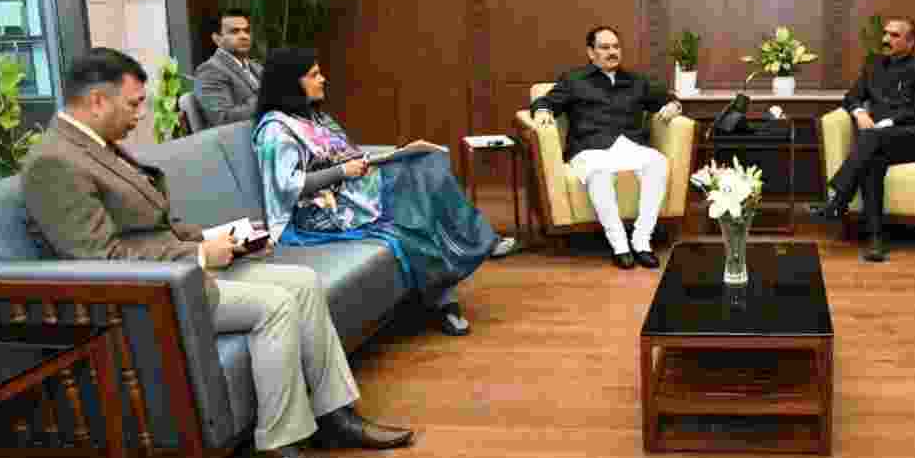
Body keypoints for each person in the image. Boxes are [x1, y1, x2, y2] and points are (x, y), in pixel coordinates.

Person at [23, 48, 413, 458]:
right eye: (133, 104)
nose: (140, 115)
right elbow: (99, 260)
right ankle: (280, 451)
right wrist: (200, 256)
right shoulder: (55, 163)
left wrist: (222, 236)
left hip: (178, 271)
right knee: (276, 306)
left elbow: (156, 225)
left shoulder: (96, 148)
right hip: (148, 296)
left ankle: (336, 416)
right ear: (97, 100)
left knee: (304, 283)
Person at [252, 48, 502, 336]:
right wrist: (342, 172)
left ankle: (465, 257)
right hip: (316, 214)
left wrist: (379, 160)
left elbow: (347, 153)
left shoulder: (312, 117)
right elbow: (287, 186)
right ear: (290, 83)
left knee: (426, 162)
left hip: (352, 191)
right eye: (314, 75)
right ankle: (451, 287)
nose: (323, 79)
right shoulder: (275, 129)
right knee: (412, 211)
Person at [530, 26, 684, 269]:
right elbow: (546, 101)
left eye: (616, 47)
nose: (612, 52)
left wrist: (674, 106)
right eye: (605, 47)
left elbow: (666, 99)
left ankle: (642, 241)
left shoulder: (636, 81)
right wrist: (541, 110)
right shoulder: (574, 80)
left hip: (629, 146)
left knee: (658, 163)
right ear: (591, 53)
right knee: (599, 172)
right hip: (590, 148)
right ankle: (620, 246)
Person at [809, 17, 915, 262]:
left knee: (871, 140)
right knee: (872, 161)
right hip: (877, 140)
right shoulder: (874, 65)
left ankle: (838, 199)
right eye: (885, 34)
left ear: (911, 42)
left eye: (894, 36)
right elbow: (851, 97)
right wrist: (859, 113)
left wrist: (887, 123)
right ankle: (875, 241)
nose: (885, 40)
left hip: (914, 138)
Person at [194, 8, 263, 127]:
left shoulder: (256, 67)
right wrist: (267, 100)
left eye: (246, 31)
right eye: (234, 32)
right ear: (217, 39)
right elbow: (223, 118)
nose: (244, 36)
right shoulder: (209, 71)